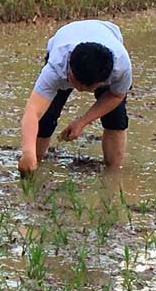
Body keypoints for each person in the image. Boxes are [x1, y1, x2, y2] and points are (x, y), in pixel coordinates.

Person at [17, 20, 132, 175]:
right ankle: (34, 166)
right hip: (67, 36)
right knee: (46, 119)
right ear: (69, 68)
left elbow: (116, 95)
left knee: (115, 119)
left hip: (106, 36)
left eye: (86, 88)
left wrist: (82, 122)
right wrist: (27, 152)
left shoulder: (121, 67)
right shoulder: (56, 65)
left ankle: (113, 173)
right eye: (75, 83)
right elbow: (32, 111)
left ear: (103, 81)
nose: (79, 90)